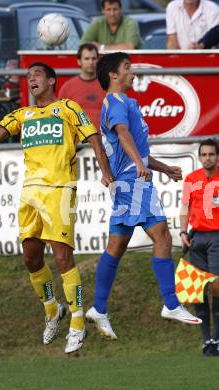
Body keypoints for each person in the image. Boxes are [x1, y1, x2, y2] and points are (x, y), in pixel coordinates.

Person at [0, 62, 114, 354]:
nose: (31, 79)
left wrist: (105, 172)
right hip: (30, 193)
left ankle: (78, 322)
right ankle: (52, 309)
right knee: (31, 259)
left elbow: (94, 138)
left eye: (36, 75)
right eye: (28, 76)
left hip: (59, 190)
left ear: (51, 81)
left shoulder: (68, 108)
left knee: (62, 258)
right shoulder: (23, 114)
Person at [85, 52, 202, 340]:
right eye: (127, 67)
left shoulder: (128, 102)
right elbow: (123, 135)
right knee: (161, 237)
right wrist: (138, 165)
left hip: (131, 182)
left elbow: (137, 149)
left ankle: (100, 308)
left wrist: (163, 168)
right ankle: (171, 303)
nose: (132, 70)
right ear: (113, 75)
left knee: (118, 245)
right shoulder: (115, 104)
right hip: (132, 183)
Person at [180, 139, 219, 357]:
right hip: (196, 240)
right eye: (203, 154)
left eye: (211, 154)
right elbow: (184, 207)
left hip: (217, 238)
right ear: (199, 156)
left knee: (217, 287)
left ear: (217, 156)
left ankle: (217, 338)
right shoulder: (191, 180)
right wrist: (183, 232)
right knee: (196, 290)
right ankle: (207, 341)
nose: (207, 158)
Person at [58, 43, 105, 132]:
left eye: (94, 58)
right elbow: (60, 117)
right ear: (79, 61)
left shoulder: (106, 85)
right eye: (87, 59)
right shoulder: (67, 87)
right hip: (79, 142)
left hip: (104, 140)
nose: (91, 62)